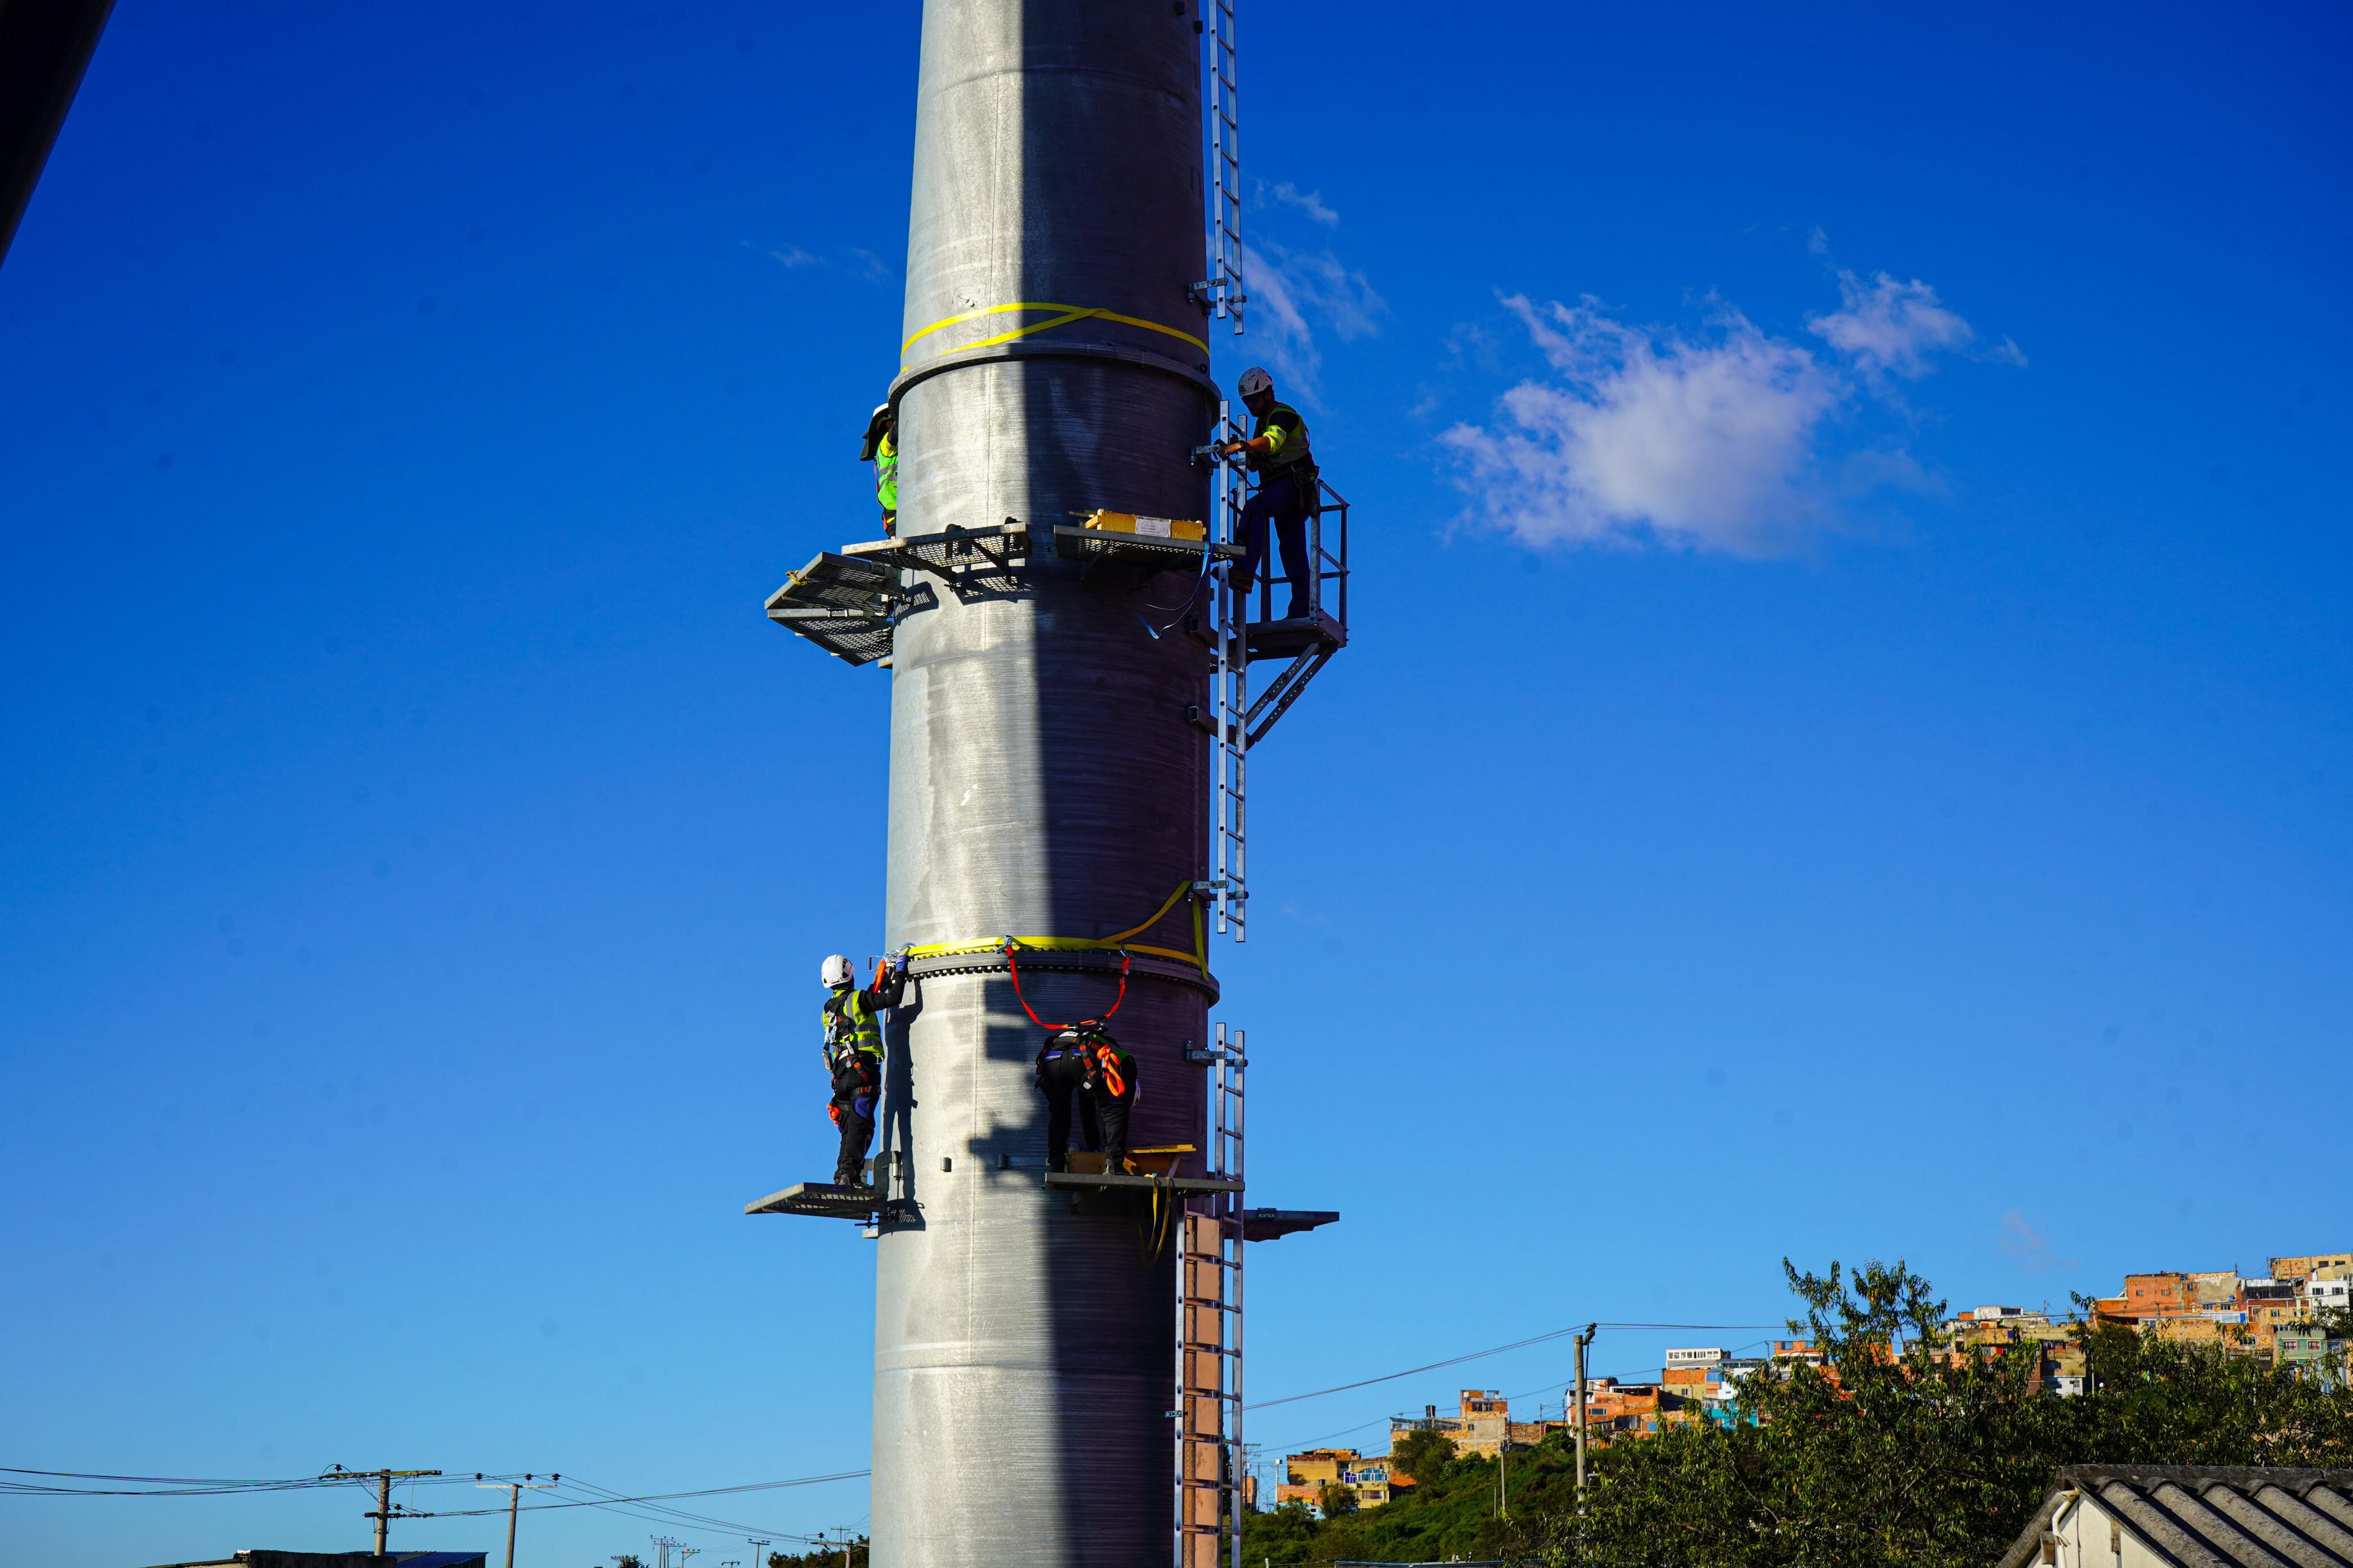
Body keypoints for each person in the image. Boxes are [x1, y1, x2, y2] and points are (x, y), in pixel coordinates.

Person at [1217, 366, 1317, 621]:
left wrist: (1240, 445)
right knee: (1292, 550)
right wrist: (1236, 450)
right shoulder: (1262, 422)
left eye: (1254, 399)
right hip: (1287, 489)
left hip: (1293, 486)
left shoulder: (1282, 415)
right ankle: (1300, 613)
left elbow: (1273, 442)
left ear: (1268, 394)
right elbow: (1256, 460)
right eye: (1247, 401)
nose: (1250, 405)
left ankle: (1244, 571)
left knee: (1255, 508)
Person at [820, 951, 907, 1186]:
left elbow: (866, 1000)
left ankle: (843, 1175)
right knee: (861, 1126)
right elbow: (892, 999)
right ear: (850, 975)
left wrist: (882, 980)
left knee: (850, 1129)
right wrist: (900, 970)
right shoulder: (859, 999)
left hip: (842, 1076)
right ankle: (849, 1175)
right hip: (862, 1072)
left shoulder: (828, 1010)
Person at [1034, 1028, 1104, 1173]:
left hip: (1052, 1064)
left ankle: (1056, 1163)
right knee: (1088, 1107)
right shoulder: (1094, 1041)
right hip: (1079, 1063)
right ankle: (1096, 1148)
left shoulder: (1055, 1039)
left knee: (1059, 1115)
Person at [1079, 1025, 1141, 1176]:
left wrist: (1094, 1146)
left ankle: (1056, 1163)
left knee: (1060, 1109)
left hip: (1066, 1060)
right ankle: (1114, 1166)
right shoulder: (1124, 1071)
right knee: (1116, 1113)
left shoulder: (1094, 1080)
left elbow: (1087, 1112)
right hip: (1087, 1061)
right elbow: (1113, 1117)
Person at [859, 403, 898, 536]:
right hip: (899, 514)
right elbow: (895, 434)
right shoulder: (886, 445)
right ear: (889, 424)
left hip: (898, 513)